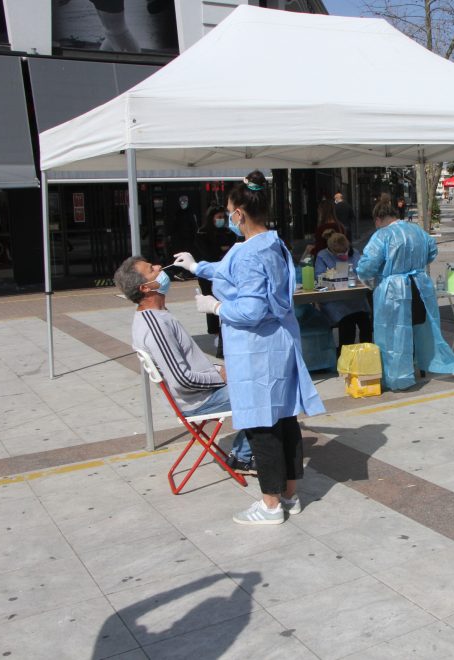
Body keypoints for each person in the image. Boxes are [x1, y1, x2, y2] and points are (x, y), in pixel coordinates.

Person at [173, 170, 325, 526]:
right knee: (284, 418)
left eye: (228, 210)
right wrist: (198, 266)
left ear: (238, 213)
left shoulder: (248, 253)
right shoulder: (271, 243)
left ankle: (270, 505)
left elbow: (252, 307)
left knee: (261, 425)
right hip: (278, 345)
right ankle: (290, 495)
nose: (227, 217)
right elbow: (231, 270)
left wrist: (216, 307)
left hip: (256, 350)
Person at [112, 256, 256, 476]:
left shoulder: (158, 315)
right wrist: (222, 377)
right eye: (152, 270)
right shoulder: (155, 326)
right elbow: (182, 380)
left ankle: (247, 451)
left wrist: (222, 371)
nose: (159, 267)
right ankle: (243, 455)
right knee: (265, 390)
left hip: (201, 392)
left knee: (259, 376)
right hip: (197, 400)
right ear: (146, 287)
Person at [356, 194, 454, 391]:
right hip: (419, 286)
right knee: (415, 329)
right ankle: (418, 366)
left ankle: (397, 378)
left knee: (392, 334)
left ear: (378, 219)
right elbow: (432, 251)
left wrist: (377, 275)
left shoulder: (382, 235)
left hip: (393, 290)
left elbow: (366, 266)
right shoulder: (418, 231)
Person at [315, 232, 372, 351]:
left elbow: (363, 271)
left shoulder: (354, 253)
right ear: (331, 250)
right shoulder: (322, 256)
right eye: (339, 254)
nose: (343, 255)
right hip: (335, 300)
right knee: (347, 323)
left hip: (355, 298)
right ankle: (345, 355)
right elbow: (318, 277)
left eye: (345, 251)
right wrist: (333, 275)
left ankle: (367, 353)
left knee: (366, 323)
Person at [195, 205, 239, 355]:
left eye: (222, 217)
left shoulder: (228, 232)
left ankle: (224, 333)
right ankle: (215, 333)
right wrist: (220, 250)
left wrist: (222, 250)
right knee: (211, 301)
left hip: (226, 273)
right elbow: (208, 254)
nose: (220, 220)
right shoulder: (203, 233)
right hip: (208, 275)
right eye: (218, 217)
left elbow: (232, 249)